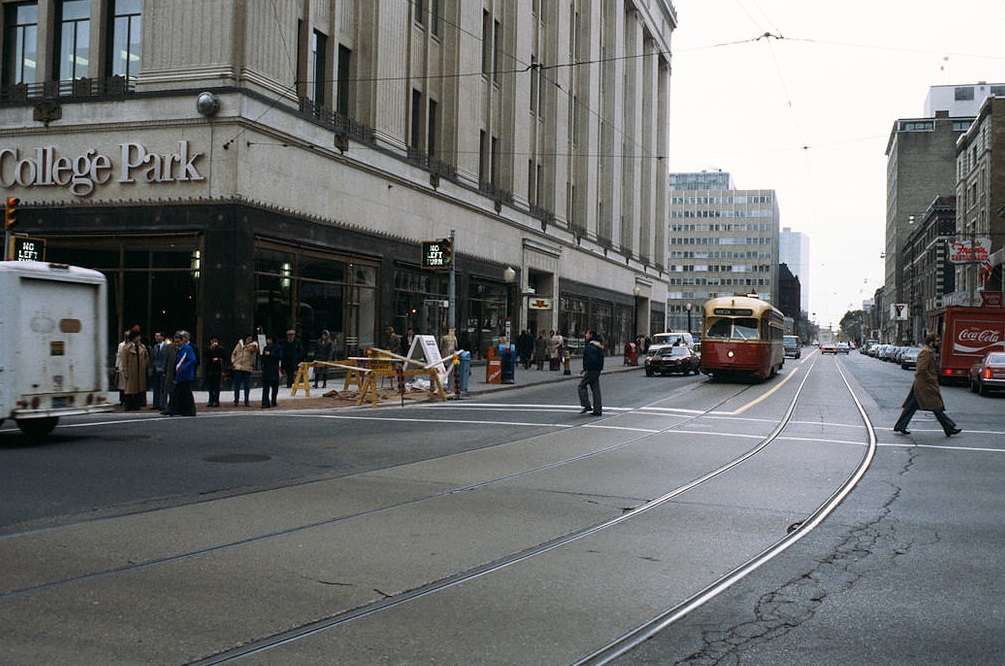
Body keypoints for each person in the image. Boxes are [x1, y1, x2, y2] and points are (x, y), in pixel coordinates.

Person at [893, 333, 962, 436]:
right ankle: (949, 427)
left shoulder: (930, 352)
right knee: (936, 406)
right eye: (937, 341)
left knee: (912, 406)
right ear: (931, 342)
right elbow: (921, 369)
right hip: (924, 386)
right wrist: (931, 378)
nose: (939, 343)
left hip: (924, 385)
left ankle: (900, 426)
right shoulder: (925, 352)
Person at [165, 330, 197, 416]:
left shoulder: (187, 348)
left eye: (178, 342)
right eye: (175, 342)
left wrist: (183, 368)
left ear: (182, 340)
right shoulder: (179, 349)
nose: (177, 343)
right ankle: (176, 409)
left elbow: (192, 360)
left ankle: (189, 411)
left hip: (185, 374)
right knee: (178, 393)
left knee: (186, 394)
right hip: (180, 375)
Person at [120, 328, 149, 411]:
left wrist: (144, 365)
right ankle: (129, 405)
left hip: (140, 371)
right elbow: (124, 360)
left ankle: (137, 404)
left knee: (139, 389)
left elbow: (147, 357)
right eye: (137, 337)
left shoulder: (142, 347)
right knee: (130, 389)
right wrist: (125, 371)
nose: (139, 338)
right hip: (131, 371)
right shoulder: (127, 348)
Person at [578, 329, 604, 416]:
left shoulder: (590, 346)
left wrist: (584, 368)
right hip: (597, 369)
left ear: (591, 335)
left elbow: (589, 359)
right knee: (596, 389)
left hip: (592, 369)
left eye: (587, 333)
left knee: (581, 386)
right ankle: (597, 410)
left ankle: (587, 405)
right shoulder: (598, 345)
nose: (585, 335)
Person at [230, 335, 258, 406]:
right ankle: (236, 400)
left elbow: (254, 350)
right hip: (238, 367)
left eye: (251, 339)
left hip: (247, 368)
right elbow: (234, 353)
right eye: (248, 339)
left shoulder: (252, 346)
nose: (249, 340)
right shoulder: (239, 345)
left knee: (247, 386)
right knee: (237, 385)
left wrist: (253, 345)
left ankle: (246, 400)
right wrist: (233, 362)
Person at [203, 337, 226, 407]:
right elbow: (205, 357)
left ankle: (216, 400)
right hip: (209, 370)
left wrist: (218, 359)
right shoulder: (208, 349)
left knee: (216, 386)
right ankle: (210, 400)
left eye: (215, 341)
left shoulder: (220, 349)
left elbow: (224, 358)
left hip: (217, 370)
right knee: (210, 387)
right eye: (213, 341)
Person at [260, 335, 283, 408]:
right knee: (265, 387)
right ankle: (265, 402)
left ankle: (273, 400)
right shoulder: (265, 348)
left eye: (269, 339)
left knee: (275, 387)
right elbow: (262, 358)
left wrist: (270, 354)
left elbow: (279, 357)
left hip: (274, 369)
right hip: (266, 369)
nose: (268, 341)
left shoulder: (278, 348)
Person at [150, 331, 167, 410]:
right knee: (156, 387)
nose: (157, 338)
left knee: (162, 388)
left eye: (158, 336)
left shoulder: (166, 347)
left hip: (163, 370)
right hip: (155, 369)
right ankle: (155, 404)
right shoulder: (155, 347)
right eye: (156, 336)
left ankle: (162, 404)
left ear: (162, 337)